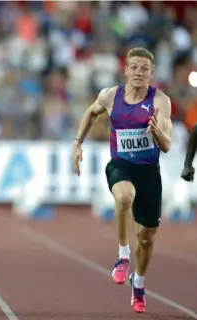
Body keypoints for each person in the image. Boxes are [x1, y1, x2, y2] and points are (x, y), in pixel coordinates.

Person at [72, 47, 172, 313]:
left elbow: (167, 145)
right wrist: (78, 143)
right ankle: (122, 255)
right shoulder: (110, 96)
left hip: (148, 172)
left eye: (144, 68)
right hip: (120, 166)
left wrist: (156, 132)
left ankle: (138, 283)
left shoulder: (160, 101)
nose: (139, 72)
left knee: (147, 237)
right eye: (134, 67)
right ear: (126, 69)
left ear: (152, 73)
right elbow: (91, 113)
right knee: (124, 197)